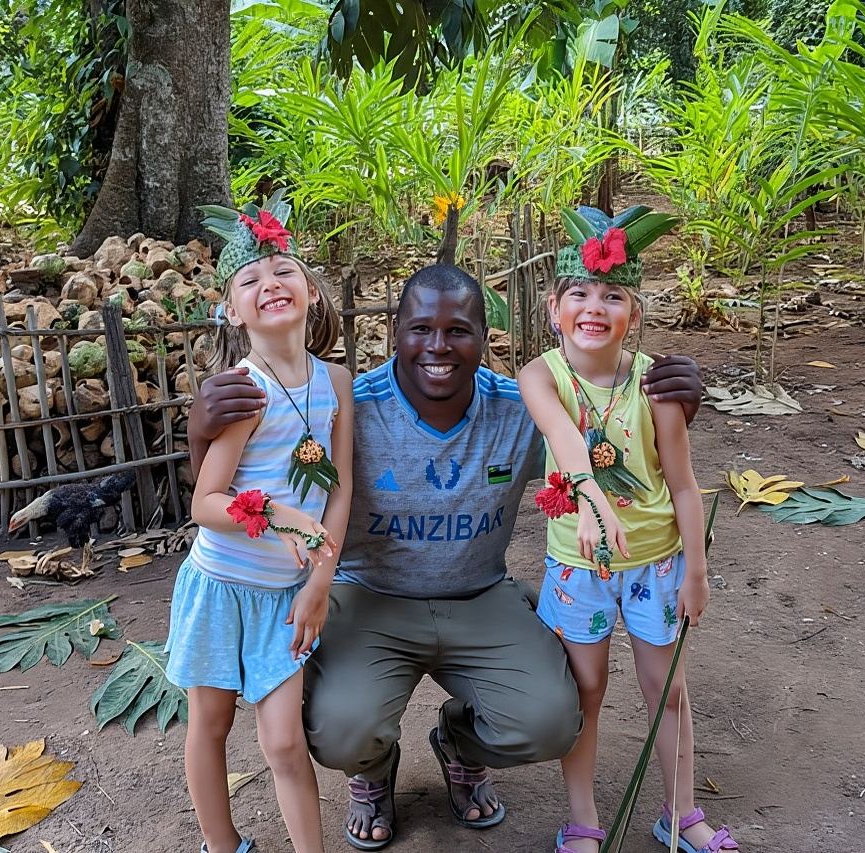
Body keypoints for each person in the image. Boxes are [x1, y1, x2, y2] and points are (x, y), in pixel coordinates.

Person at [187, 263, 706, 850]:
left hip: (480, 595)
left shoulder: (523, 409)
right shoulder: (345, 407)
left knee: (551, 720)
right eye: (419, 329)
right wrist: (200, 436)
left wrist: (671, 405)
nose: (438, 346)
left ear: (487, 338)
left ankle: (459, 744)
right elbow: (252, 483)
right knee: (339, 730)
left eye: (458, 330)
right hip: (370, 597)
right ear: (395, 334)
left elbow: (613, 448)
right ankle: (373, 770)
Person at [519, 207, 737, 853]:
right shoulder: (541, 374)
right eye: (579, 294)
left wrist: (696, 571)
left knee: (666, 690)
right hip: (578, 564)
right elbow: (562, 436)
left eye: (613, 295)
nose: (595, 307)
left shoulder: (656, 384)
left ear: (634, 311)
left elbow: (683, 485)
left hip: (656, 563)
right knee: (586, 689)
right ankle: (583, 816)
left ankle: (681, 810)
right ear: (555, 307)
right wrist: (590, 503)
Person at [168, 199, 355, 853]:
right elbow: (206, 502)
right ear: (231, 309)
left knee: (282, 739)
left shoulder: (336, 382)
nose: (268, 284)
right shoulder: (245, 390)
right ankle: (222, 845)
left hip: (287, 597)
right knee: (211, 721)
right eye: (249, 280)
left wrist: (320, 578)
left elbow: (343, 484)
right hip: (221, 586)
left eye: (282, 271)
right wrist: (275, 512)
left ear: (310, 289)